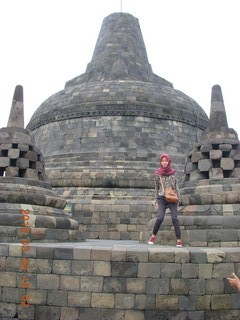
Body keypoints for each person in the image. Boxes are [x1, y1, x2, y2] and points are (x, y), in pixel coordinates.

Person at [148, 153, 182, 247]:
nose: (164, 163)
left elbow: (177, 186)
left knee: (174, 218)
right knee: (160, 218)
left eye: (166, 161)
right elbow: (156, 188)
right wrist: (156, 201)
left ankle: (179, 240)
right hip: (162, 197)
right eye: (162, 161)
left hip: (172, 197)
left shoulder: (174, 173)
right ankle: (153, 236)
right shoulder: (157, 174)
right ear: (160, 162)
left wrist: (179, 199)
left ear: (169, 161)